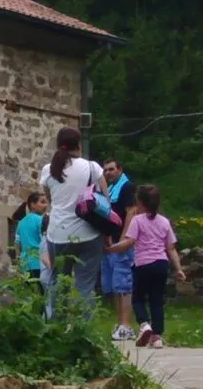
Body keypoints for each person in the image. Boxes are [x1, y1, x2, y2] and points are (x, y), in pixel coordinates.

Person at [39, 126, 105, 320]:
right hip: (89, 233)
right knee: (85, 286)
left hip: (58, 234)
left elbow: (51, 200)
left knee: (58, 285)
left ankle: (56, 332)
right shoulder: (93, 167)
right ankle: (85, 335)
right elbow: (105, 202)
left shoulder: (48, 170)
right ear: (78, 143)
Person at [108, 184, 185, 348]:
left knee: (137, 298)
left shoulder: (137, 220)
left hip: (142, 265)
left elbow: (129, 242)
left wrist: (110, 249)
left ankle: (144, 324)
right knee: (157, 301)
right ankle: (157, 337)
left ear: (140, 203)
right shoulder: (164, 222)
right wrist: (178, 269)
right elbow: (170, 247)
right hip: (161, 264)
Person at [99, 159, 138, 342]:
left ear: (120, 169)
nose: (108, 173)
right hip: (110, 243)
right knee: (114, 285)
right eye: (105, 170)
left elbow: (131, 211)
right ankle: (120, 323)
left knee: (123, 284)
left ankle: (126, 325)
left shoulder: (127, 187)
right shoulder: (111, 189)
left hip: (121, 243)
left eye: (111, 169)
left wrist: (124, 238)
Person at [13, 192, 49, 289]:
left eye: (46, 202)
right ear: (33, 204)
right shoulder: (41, 220)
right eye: (42, 202)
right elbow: (46, 242)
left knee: (31, 297)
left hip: (26, 266)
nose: (45, 205)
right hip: (40, 264)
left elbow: (17, 245)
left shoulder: (21, 223)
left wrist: (19, 263)